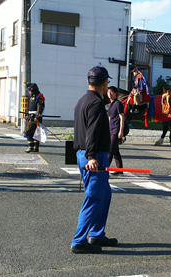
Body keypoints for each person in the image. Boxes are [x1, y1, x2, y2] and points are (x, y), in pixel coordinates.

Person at [71, 66, 117, 254]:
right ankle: (79, 241)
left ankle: (97, 234)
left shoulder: (82, 100)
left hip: (86, 154)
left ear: (88, 81)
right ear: (105, 83)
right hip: (93, 156)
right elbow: (91, 132)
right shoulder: (97, 103)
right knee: (94, 197)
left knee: (104, 194)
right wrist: (91, 156)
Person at [107, 86, 125, 175]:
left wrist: (121, 131)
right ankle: (120, 169)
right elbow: (109, 118)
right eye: (108, 92)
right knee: (115, 150)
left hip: (116, 129)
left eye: (111, 92)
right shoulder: (110, 104)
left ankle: (105, 168)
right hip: (110, 129)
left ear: (115, 94)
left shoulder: (118, 104)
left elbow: (122, 117)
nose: (110, 94)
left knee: (110, 150)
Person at [24, 83, 45, 153]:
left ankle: (33, 147)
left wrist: (37, 117)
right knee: (30, 132)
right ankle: (33, 147)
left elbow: (40, 108)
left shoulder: (39, 97)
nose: (29, 92)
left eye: (30, 90)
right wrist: (27, 114)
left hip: (35, 117)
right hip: (30, 116)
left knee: (33, 132)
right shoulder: (30, 97)